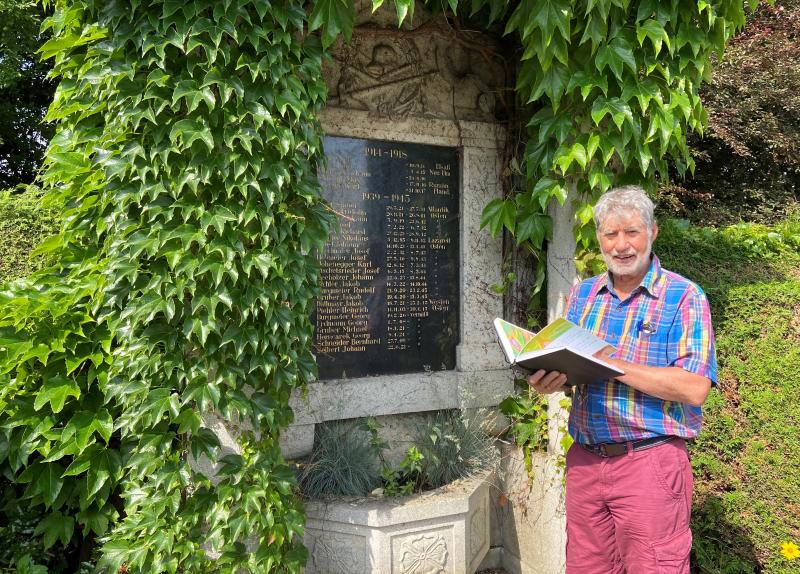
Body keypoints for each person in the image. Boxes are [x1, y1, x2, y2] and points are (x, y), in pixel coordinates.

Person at [528, 185, 717, 574]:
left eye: (632, 232)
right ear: (599, 237)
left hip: (649, 462)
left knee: (655, 567)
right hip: (586, 460)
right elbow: (576, 370)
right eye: (610, 234)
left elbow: (694, 387)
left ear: (653, 232)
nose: (621, 245)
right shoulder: (584, 295)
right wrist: (552, 379)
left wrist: (613, 362)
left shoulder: (684, 297)